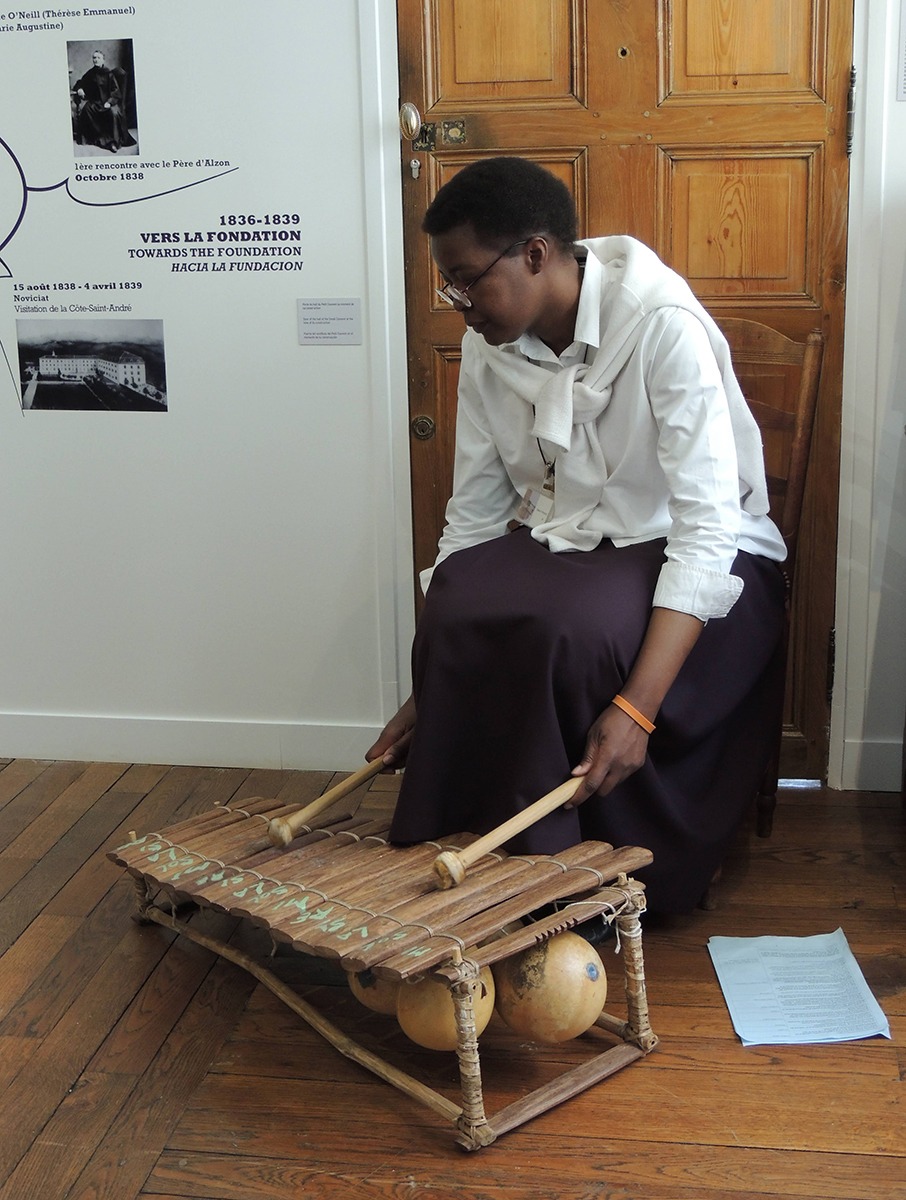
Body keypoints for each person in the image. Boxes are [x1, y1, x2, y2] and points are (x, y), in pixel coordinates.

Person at [367, 157, 787, 914]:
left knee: (578, 630)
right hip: (569, 533)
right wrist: (434, 685)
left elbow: (707, 525)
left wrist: (635, 712)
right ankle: (473, 843)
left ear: (534, 254)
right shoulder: (488, 341)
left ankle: (592, 870)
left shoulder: (663, 326)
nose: (457, 303)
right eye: (448, 285)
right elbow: (475, 509)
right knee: (463, 591)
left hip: (685, 543)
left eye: (466, 280)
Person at [73, 50, 135, 153]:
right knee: (86, 110)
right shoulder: (90, 73)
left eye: (98, 58)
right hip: (95, 102)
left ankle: (113, 142)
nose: (96, 60)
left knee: (113, 113)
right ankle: (98, 138)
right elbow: (80, 82)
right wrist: (80, 89)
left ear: (103, 60)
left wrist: (109, 102)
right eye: (94, 58)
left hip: (108, 102)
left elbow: (115, 91)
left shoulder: (109, 74)